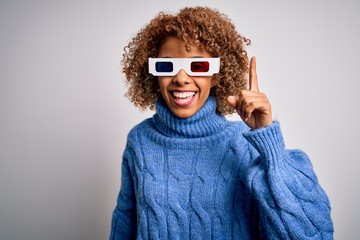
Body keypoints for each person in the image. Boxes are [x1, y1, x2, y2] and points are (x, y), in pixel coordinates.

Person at [110, 6, 334, 239]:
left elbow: (313, 233)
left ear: (216, 75)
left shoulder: (244, 143)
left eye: (197, 66)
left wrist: (269, 142)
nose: (181, 78)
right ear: (154, 74)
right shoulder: (140, 140)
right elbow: (125, 222)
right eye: (167, 66)